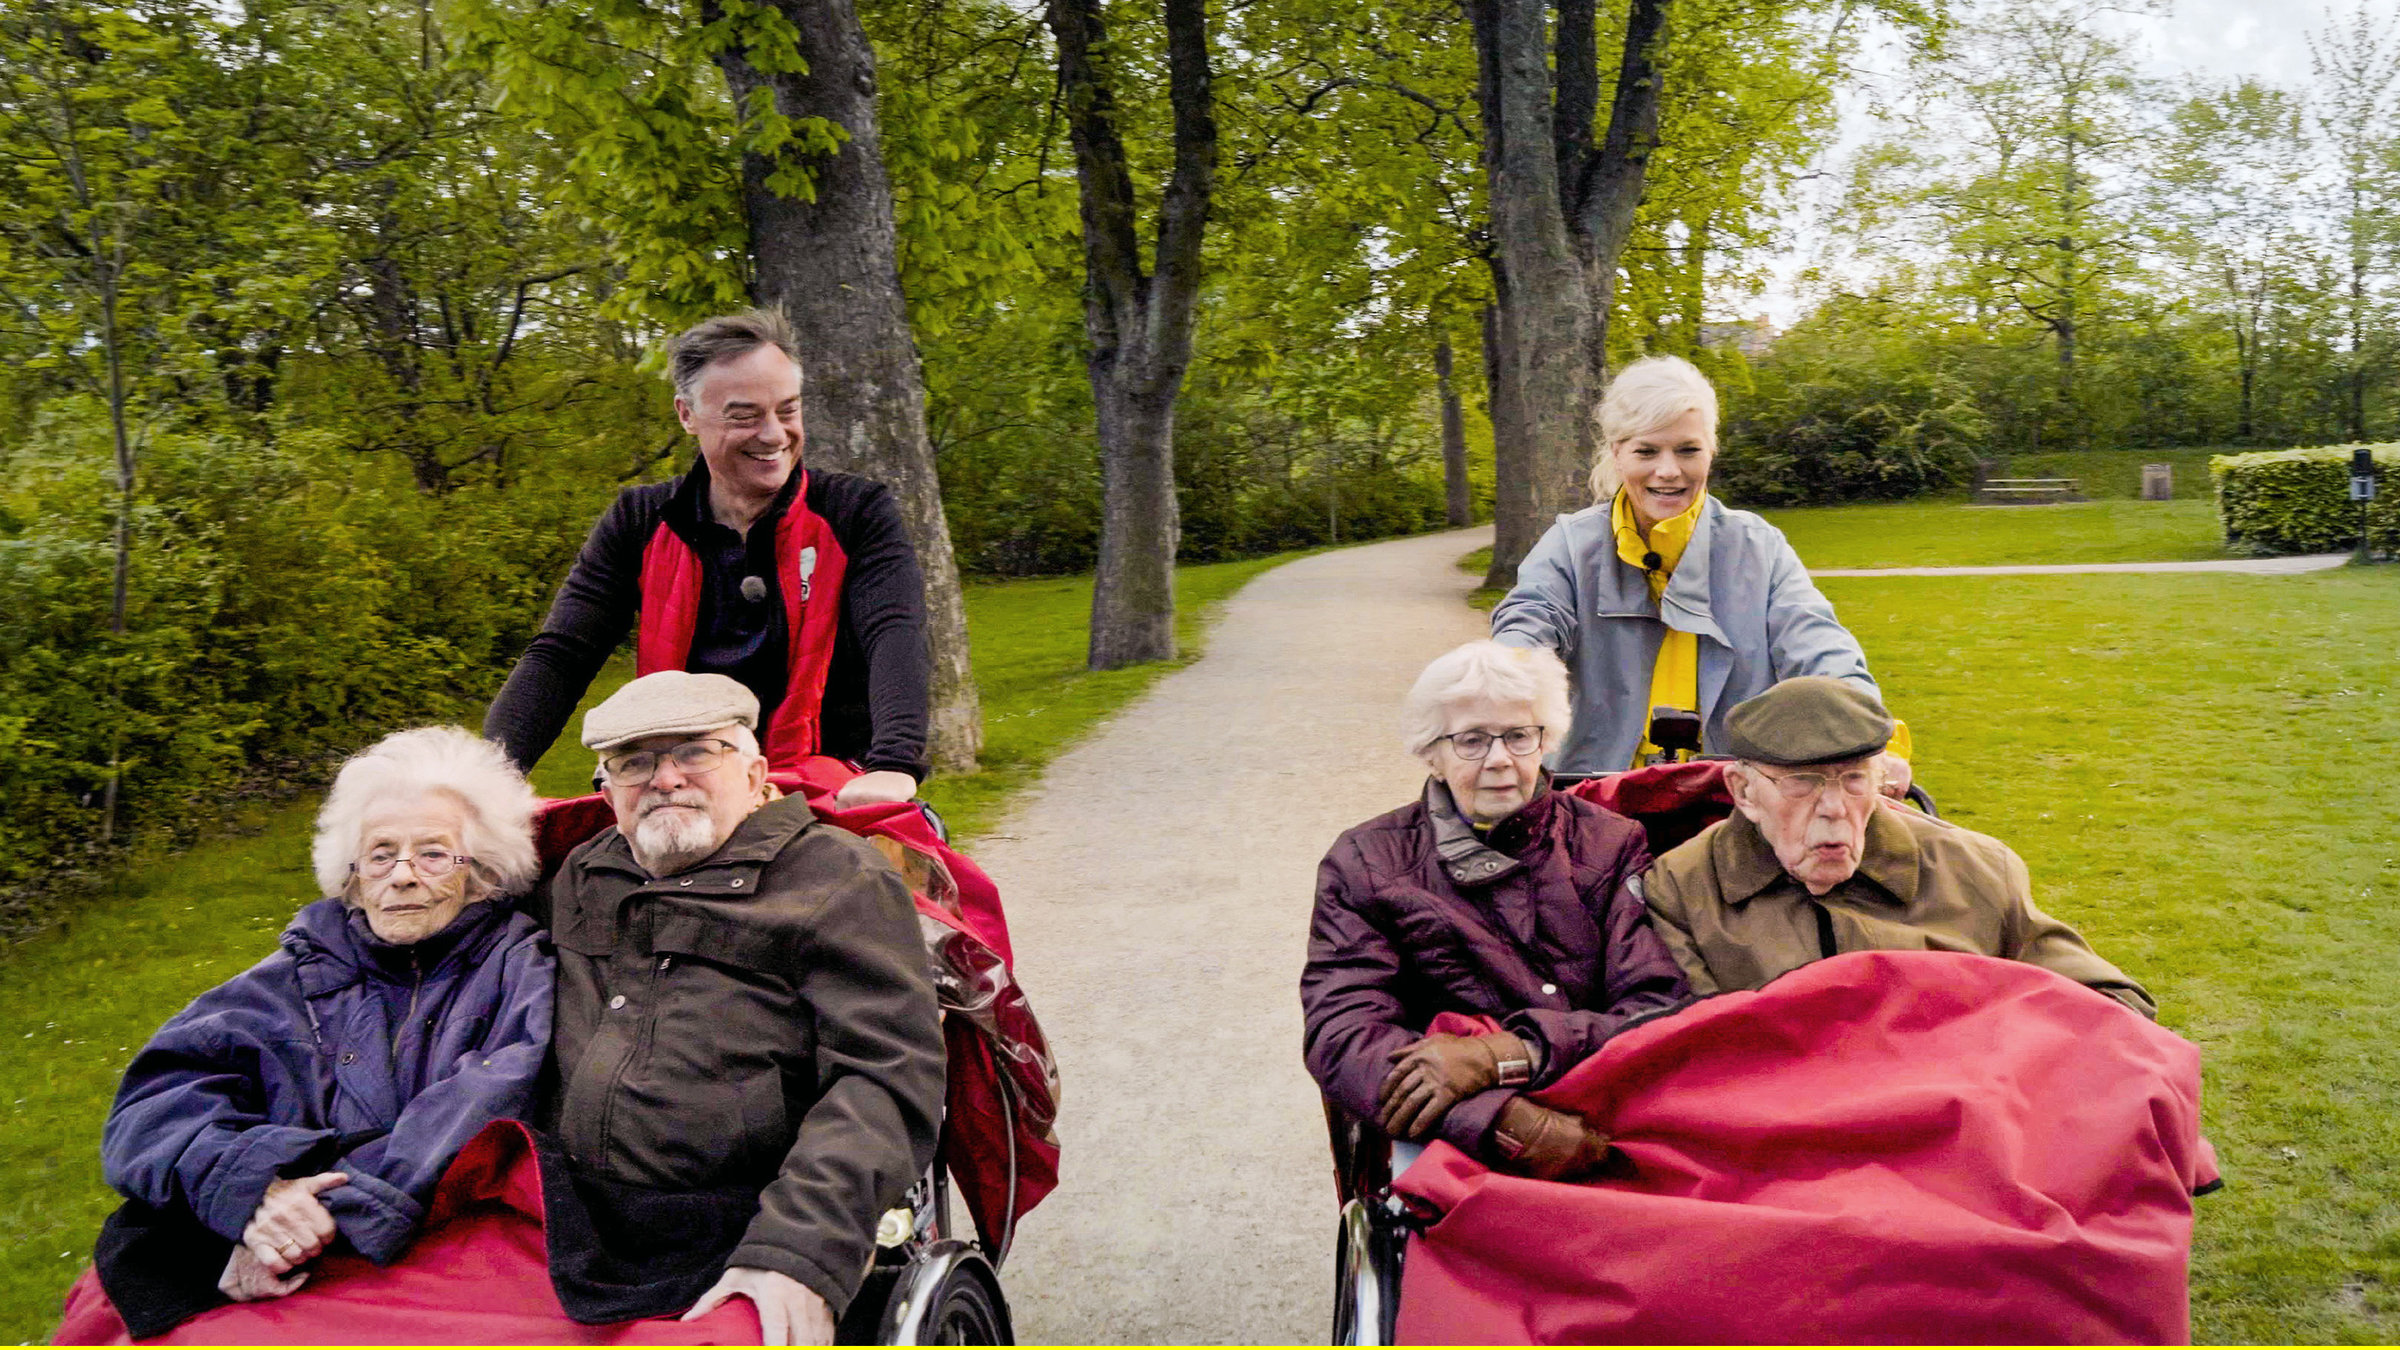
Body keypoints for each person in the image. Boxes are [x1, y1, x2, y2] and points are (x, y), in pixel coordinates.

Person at [94, 728, 551, 1337]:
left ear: (483, 873)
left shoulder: (517, 966)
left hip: (441, 1256)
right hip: (283, 1251)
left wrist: (316, 1211)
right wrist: (257, 1188)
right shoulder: (291, 974)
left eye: (435, 854)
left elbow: (484, 1105)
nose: (403, 875)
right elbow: (153, 1105)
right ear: (354, 875)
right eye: (381, 854)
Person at [542, 670, 945, 1345]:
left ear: (757, 775)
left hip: (746, 1219)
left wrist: (798, 1249)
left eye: (696, 752)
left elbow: (885, 1075)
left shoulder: (837, 880)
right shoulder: (581, 873)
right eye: (634, 762)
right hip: (568, 1216)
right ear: (606, 790)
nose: (665, 778)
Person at [483, 308, 931, 808]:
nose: (774, 435)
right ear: (686, 414)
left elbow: (894, 630)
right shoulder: (638, 520)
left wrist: (894, 763)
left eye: (788, 411)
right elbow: (563, 654)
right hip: (669, 778)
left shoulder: (855, 511)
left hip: (825, 775)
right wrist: (490, 774)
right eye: (744, 416)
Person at [1301, 641, 1689, 1183]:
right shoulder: (1366, 862)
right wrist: (1497, 1123)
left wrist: (1509, 1055)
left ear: (1545, 741)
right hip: (1453, 1138)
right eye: (1472, 740)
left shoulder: (1611, 843)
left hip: (1604, 1110)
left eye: (1518, 736)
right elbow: (1344, 1034)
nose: (1500, 758)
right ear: (1431, 752)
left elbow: (1658, 1003)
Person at [1490, 354, 1910, 788]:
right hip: (1592, 798)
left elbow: (1821, 649)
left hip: (1734, 800)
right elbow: (1528, 624)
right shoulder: (1571, 545)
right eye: (1647, 451)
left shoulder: (1758, 547)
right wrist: (1505, 688)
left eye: (1688, 450)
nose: (1668, 471)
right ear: (1617, 453)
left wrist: (1876, 744)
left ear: (1710, 452)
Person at [1640, 676, 2155, 1017]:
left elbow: (2113, 1006)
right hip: (1786, 1142)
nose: (1834, 807)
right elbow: (1699, 1049)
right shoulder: (1683, 887)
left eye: (1854, 779)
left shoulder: (1975, 868)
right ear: (1743, 791)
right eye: (1803, 782)